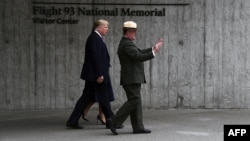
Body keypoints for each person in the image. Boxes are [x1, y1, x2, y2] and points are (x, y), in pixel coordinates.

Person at [109, 21, 163, 135]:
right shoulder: (126, 44)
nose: (135, 34)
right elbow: (138, 57)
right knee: (134, 100)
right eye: (134, 32)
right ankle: (113, 121)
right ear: (128, 32)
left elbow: (139, 52)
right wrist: (154, 52)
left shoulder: (127, 43)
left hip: (132, 78)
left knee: (136, 102)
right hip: (131, 78)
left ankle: (138, 127)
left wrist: (152, 48)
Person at [66, 19, 114, 129]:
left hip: (93, 75)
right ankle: (111, 122)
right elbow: (95, 58)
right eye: (105, 27)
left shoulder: (96, 38)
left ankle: (72, 121)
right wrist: (100, 74)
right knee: (104, 98)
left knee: (85, 98)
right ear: (99, 27)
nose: (107, 29)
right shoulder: (94, 39)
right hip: (96, 76)